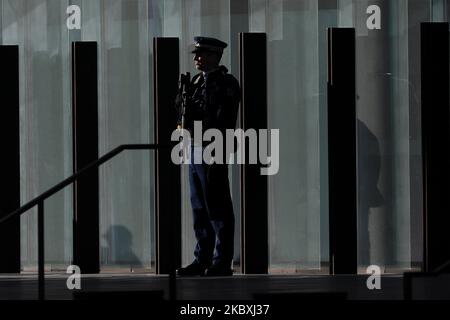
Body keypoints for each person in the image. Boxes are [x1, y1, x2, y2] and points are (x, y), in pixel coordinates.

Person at [175, 36, 241, 276]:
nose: (197, 59)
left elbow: (223, 116)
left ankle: (222, 260)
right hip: (194, 145)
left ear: (215, 56)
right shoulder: (194, 82)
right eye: (196, 55)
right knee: (199, 206)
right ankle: (201, 258)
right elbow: (181, 113)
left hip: (214, 146)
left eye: (202, 54)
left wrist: (199, 112)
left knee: (217, 204)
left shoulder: (226, 83)